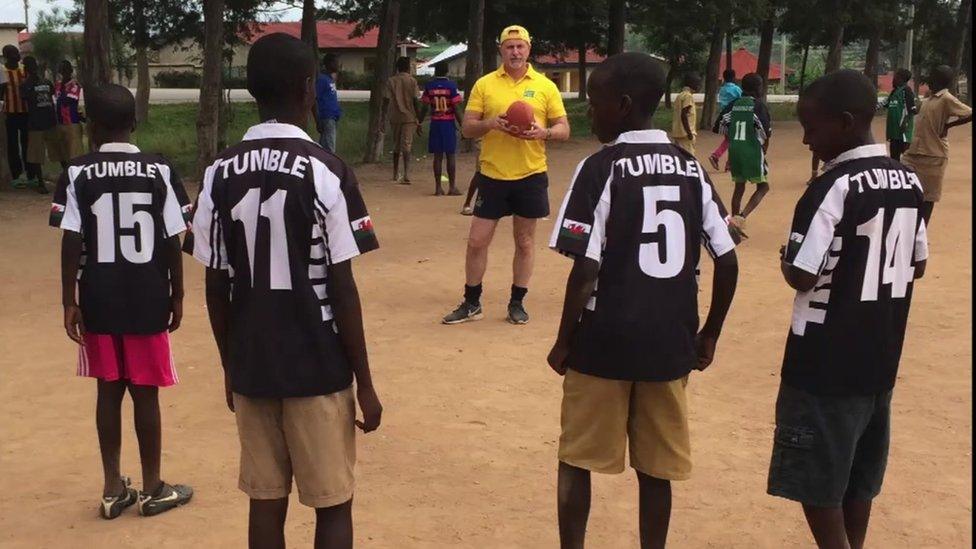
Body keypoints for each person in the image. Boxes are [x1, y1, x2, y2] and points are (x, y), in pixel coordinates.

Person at [191, 33, 383, 549]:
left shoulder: (217, 174)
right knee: (332, 505)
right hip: (318, 366)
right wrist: (364, 381)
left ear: (251, 89)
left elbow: (215, 285)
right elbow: (342, 288)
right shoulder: (327, 171)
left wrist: (230, 365)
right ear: (308, 89)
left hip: (253, 365)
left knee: (265, 502)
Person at [547, 52, 739, 549]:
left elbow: (586, 267)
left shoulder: (601, 168)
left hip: (602, 343)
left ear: (624, 104)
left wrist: (563, 340)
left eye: (595, 102)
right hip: (669, 344)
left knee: (577, 458)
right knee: (657, 470)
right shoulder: (690, 168)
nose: (590, 112)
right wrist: (709, 334)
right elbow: (728, 260)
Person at [768, 69, 928, 549]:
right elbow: (917, 264)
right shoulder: (909, 181)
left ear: (843, 122)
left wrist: (785, 257)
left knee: (818, 480)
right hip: (880, 354)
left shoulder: (832, 186)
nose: (807, 142)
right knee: (859, 474)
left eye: (811, 129)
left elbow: (803, 273)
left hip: (823, 360)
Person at [49, 83, 194, 519]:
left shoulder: (76, 172)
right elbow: (173, 238)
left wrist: (68, 300)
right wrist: (179, 292)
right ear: (134, 123)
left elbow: (71, 240)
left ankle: (113, 489)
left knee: (108, 392)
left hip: (99, 297)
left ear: (91, 127)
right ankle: (153, 488)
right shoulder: (161, 170)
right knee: (145, 395)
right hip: (148, 296)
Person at [441, 24, 570, 325]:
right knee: (476, 241)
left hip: (530, 173)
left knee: (524, 242)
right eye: (509, 46)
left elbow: (564, 129)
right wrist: (491, 124)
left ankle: (517, 302)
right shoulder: (485, 84)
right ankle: (472, 303)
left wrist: (544, 132)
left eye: (520, 46)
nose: (515, 51)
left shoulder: (545, 85)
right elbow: (469, 127)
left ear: (528, 49)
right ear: (501, 49)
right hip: (493, 174)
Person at [899, 65, 972, 226]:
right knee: (904, 189)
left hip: (933, 155)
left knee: (927, 198)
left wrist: (948, 126)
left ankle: (921, 233)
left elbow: (969, 113)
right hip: (913, 153)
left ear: (940, 81)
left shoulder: (946, 99)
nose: (928, 80)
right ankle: (908, 227)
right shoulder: (929, 98)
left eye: (932, 77)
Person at [718, 72, 771, 238]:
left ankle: (733, 226)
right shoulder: (759, 106)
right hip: (752, 150)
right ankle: (740, 218)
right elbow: (766, 133)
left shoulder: (733, 104)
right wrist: (763, 151)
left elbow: (722, 127)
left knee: (739, 187)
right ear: (758, 88)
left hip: (735, 150)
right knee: (763, 187)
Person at [418, 62, 463, 196]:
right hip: (448, 123)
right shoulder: (451, 86)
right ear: (447, 71)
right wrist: (462, 125)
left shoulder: (429, 86)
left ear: (435, 71)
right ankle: (452, 187)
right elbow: (456, 108)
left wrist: (419, 121)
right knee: (450, 155)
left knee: (437, 157)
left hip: (435, 123)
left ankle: (438, 188)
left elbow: (424, 107)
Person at [20, 56, 58, 193]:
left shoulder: (25, 85)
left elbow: (24, 99)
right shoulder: (46, 82)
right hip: (50, 121)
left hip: (36, 123)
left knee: (37, 155)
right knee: (58, 152)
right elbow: (52, 95)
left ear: (25, 69)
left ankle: (41, 183)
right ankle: (65, 179)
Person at [382, 56, 421, 183]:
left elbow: (386, 100)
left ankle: (394, 173)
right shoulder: (412, 81)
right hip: (409, 117)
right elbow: (416, 100)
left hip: (394, 116)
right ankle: (406, 173)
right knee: (407, 145)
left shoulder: (391, 81)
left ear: (397, 67)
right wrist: (418, 117)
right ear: (408, 67)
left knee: (396, 145)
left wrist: (383, 116)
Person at [1, 44, 29, 187]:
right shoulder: (2, 71)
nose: (17, 56)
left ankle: (30, 173)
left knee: (27, 143)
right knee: (12, 145)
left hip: (25, 112)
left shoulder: (24, 70)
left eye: (17, 53)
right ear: (6, 56)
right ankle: (16, 174)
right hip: (10, 113)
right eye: (14, 54)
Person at [878, 68, 917, 162]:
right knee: (894, 158)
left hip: (903, 132)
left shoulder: (906, 91)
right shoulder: (894, 93)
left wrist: (905, 124)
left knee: (906, 157)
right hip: (893, 132)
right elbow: (883, 104)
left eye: (895, 77)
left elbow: (912, 109)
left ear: (901, 79)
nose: (893, 80)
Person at [708, 69, 742, 171]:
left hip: (724, 116)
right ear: (734, 77)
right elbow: (742, 99)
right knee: (734, 140)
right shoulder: (736, 89)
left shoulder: (722, 89)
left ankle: (729, 163)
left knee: (729, 139)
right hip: (734, 116)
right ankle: (717, 156)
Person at [54, 60, 85, 168]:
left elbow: (66, 100)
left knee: (75, 154)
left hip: (72, 122)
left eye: (65, 70)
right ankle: (66, 175)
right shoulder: (58, 85)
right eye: (61, 70)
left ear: (70, 71)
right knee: (63, 154)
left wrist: (63, 88)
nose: (63, 73)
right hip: (60, 122)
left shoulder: (75, 85)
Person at [314, 53, 341, 153]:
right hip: (327, 117)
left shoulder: (330, 79)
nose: (338, 65)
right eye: (336, 62)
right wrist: (317, 120)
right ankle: (331, 167)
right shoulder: (322, 80)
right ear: (329, 64)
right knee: (330, 148)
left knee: (324, 147)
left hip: (333, 117)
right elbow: (315, 99)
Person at [671, 72, 700, 155]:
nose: (699, 86)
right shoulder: (688, 96)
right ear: (692, 84)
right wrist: (689, 133)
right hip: (686, 135)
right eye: (697, 83)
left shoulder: (679, 96)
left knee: (679, 157)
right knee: (689, 158)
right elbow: (684, 115)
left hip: (678, 133)